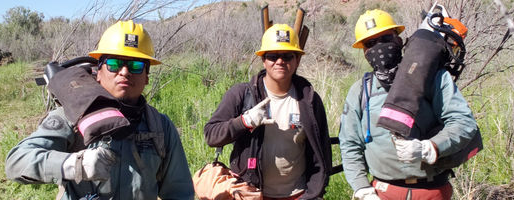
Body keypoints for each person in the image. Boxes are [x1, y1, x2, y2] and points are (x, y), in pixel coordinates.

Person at [4, 20, 194, 200]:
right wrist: (73, 165)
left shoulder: (160, 127)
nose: (125, 72)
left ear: (146, 77)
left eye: (136, 66)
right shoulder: (73, 115)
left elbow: (179, 193)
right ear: (99, 72)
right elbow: (17, 161)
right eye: (114, 64)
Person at [338, 9, 479, 200]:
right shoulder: (361, 90)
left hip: (432, 191)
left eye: (386, 38)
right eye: (371, 43)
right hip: (382, 192)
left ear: (399, 40)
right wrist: (362, 188)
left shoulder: (434, 76)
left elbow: (464, 122)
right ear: (364, 52)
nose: (379, 47)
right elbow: (350, 143)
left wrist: (430, 148)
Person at [204, 23, 331, 200]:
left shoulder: (309, 100)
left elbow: (322, 151)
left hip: (298, 194)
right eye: (272, 56)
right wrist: (244, 122)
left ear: (297, 60)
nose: (280, 61)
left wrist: (315, 192)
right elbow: (211, 135)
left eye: (287, 56)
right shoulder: (241, 94)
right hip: (251, 193)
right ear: (263, 60)